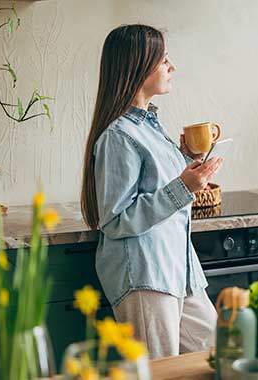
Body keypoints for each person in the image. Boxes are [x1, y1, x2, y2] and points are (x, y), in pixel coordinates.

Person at [80, 24, 223, 359]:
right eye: (164, 61)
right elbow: (115, 220)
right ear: (138, 67)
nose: (172, 68)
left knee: (219, 356)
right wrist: (183, 188)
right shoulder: (119, 136)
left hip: (178, 272)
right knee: (157, 373)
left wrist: (187, 161)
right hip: (145, 277)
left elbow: (157, 188)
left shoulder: (149, 127)